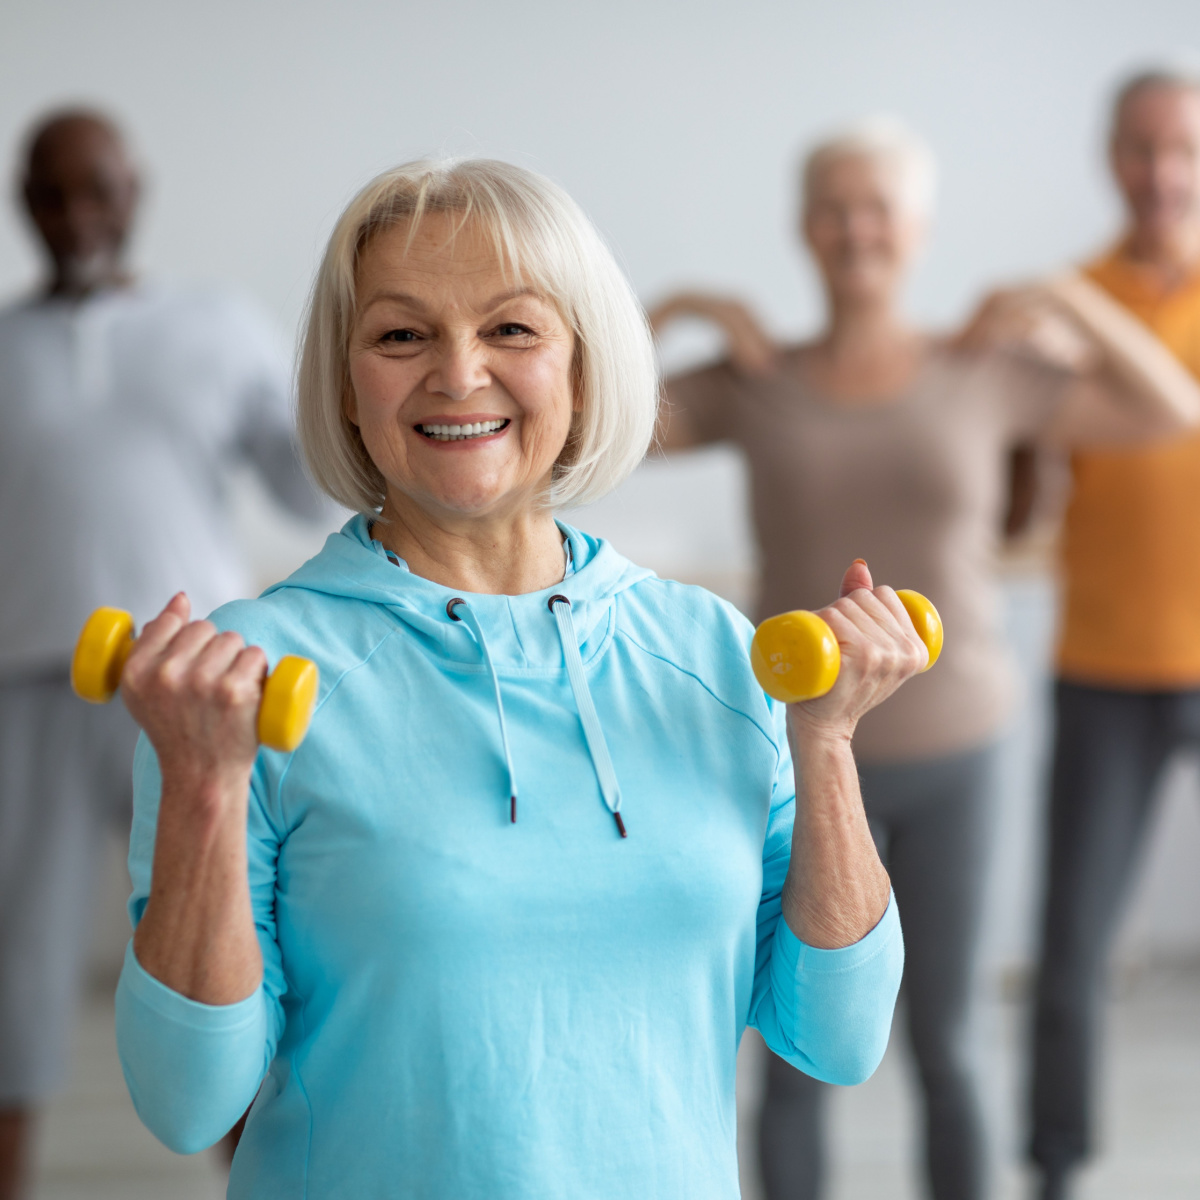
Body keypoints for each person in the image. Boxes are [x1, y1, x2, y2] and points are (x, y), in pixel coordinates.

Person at [110, 157, 920, 1199]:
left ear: (582, 368)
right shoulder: (243, 683)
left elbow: (839, 1040)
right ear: (347, 385)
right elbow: (187, 1103)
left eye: (512, 329)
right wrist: (206, 787)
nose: (458, 374)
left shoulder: (713, 655)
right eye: (402, 334)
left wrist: (827, 743)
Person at [649, 119, 1200, 1200]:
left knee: (947, 1045)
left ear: (919, 228)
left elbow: (1172, 407)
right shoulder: (756, 378)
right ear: (805, 227)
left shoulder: (983, 371)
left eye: (880, 207)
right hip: (795, 760)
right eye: (834, 206)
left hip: (958, 749)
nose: (858, 228)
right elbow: (580, 418)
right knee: (798, 1058)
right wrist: (678, 310)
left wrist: (1067, 301)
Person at [0, 109, 324, 1199]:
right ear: (23, 203)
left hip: (198, 686)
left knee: (223, 936)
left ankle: (262, 1178)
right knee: (14, 971)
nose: (77, 215)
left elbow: (305, 486)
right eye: (52, 194)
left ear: (134, 192)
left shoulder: (217, 324)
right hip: (30, 690)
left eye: (97, 190)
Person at [1027, 68, 1200, 1200]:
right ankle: (1056, 1168)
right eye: (1140, 147)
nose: (1161, 170)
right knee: (1073, 949)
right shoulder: (1069, 305)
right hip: (1102, 666)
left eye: (1180, 145)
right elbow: (1031, 495)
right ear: (1110, 158)